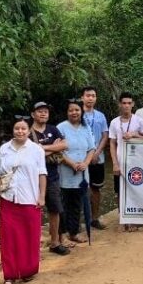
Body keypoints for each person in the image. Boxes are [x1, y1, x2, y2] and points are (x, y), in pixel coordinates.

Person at [0, 117, 47, 284]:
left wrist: (41, 196)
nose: (20, 132)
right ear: (13, 130)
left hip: (30, 199)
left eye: (23, 128)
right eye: (17, 128)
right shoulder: (4, 149)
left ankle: (26, 271)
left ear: (28, 129)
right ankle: (9, 276)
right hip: (8, 199)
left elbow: (42, 174)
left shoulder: (36, 150)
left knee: (30, 237)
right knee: (8, 239)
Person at [30, 102, 69, 256]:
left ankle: (54, 242)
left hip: (52, 176)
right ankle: (32, 246)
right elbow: (30, 153)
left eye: (45, 111)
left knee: (55, 209)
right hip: (32, 179)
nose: (43, 114)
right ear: (33, 114)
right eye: (40, 111)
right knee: (33, 211)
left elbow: (64, 145)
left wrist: (42, 149)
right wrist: (53, 148)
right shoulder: (27, 132)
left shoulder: (53, 129)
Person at [57, 99, 96, 245]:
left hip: (83, 173)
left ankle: (74, 232)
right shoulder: (61, 128)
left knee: (79, 203)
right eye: (71, 110)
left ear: (81, 111)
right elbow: (57, 151)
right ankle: (62, 234)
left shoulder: (86, 128)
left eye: (77, 110)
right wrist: (71, 163)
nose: (74, 113)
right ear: (67, 112)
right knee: (65, 203)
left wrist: (86, 162)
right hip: (66, 172)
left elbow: (91, 148)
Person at [108, 92, 143, 232]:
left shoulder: (139, 121)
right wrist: (114, 163)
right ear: (120, 104)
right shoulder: (114, 122)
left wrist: (134, 135)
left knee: (136, 189)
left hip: (136, 162)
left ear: (132, 104)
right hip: (120, 160)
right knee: (119, 190)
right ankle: (123, 218)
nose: (126, 106)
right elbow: (112, 144)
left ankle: (135, 219)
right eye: (123, 103)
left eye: (128, 103)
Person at [80, 86, 110, 231]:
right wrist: (87, 155)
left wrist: (97, 152)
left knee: (96, 188)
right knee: (79, 188)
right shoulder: (77, 114)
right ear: (82, 98)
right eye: (87, 95)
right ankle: (79, 220)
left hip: (98, 158)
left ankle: (94, 218)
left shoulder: (100, 116)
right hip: (81, 158)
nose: (90, 98)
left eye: (93, 95)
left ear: (96, 98)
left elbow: (105, 136)